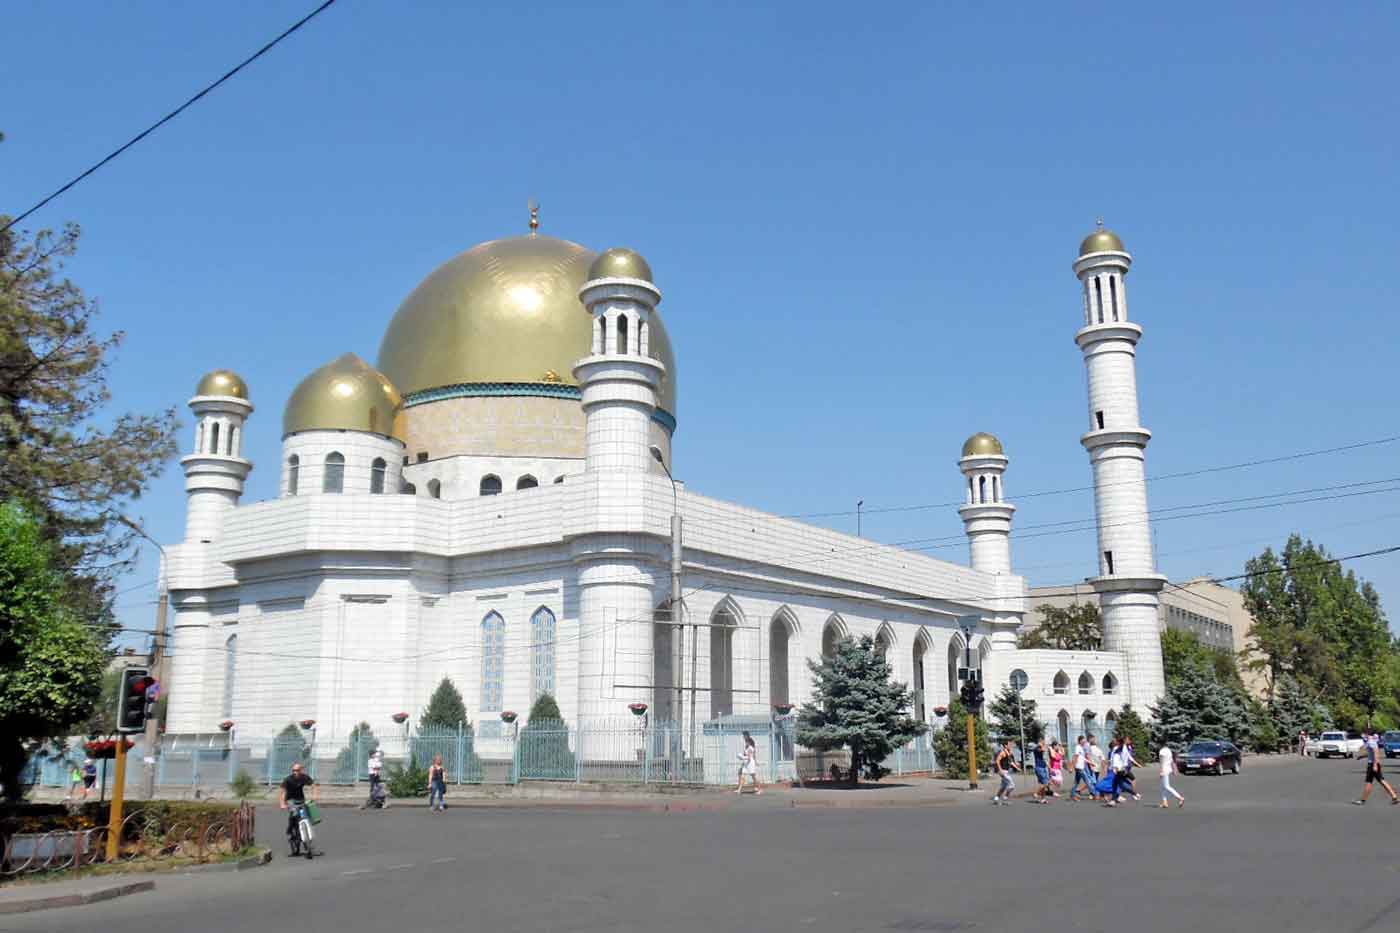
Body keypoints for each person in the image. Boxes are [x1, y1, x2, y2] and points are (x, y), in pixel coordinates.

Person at [278, 762, 320, 856]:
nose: (295, 772)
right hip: (290, 801)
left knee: (307, 816)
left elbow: (314, 786)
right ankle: (292, 835)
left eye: (297, 770)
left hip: (301, 800)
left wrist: (315, 796)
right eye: (293, 770)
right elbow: (282, 791)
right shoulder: (288, 779)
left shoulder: (304, 777)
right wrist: (282, 803)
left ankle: (308, 845)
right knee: (294, 816)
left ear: (301, 770)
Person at [1353, 728, 1400, 806]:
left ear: (1368, 734)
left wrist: (1375, 765)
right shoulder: (1371, 742)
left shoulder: (1371, 742)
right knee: (1381, 781)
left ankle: (1362, 800)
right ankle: (1394, 797)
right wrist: (1362, 757)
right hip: (1374, 764)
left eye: (1364, 734)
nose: (1363, 735)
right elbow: (1371, 753)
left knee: (1369, 782)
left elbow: (1376, 753)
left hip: (1372, 765)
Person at [991, 740, 1020, 805]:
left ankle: (996, 799)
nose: (1011, 746)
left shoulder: (1009, 753)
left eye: (1011, 745)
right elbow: (997, 761)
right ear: (1005, 746)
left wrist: (1017, 768)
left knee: (1003, 786)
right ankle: (1005, 798)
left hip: (1006, 771)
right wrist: (1000, 770)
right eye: (1009, 745)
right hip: (1003, 771)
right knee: (1012, 785)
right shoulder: (1003, 752)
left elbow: (1011, 762)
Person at [1158, 743, 1185, 808]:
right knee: (1163, 787)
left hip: (1164, 770)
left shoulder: (1162, 751)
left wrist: (1161, 771)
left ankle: (1180, 798)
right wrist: (1174, 769)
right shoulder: (1169, 751)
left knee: (1166, 786)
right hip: (1168, 769)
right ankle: (1165, 803)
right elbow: (1172, 761)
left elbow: (1161, 762)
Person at [736, 730, 762, 795]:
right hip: (746, 763)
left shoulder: (750, 747)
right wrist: (741, 757)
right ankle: (739, 790)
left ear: (749, 742)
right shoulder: (746, 747)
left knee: (754, 777)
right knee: (743, 776)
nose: (745, 743)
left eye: (746, 742)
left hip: (750, 763)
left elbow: (749, 757)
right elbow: (745, 755)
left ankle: (759, 789)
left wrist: (742, 757)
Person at [1104, 738, 1127, 807]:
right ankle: (1113, 798)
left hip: (1115, 769)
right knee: (1115, 784)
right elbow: (1112, 761)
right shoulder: (1114, 751)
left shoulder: (1116, 750)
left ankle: (1114, 798)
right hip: (1115, 770)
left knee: (1116, 784)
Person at [1070, 736, 1093, 801]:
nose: (1085, 742)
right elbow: (1075, 757)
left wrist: (1090, 763)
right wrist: (1072, 767)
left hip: (1080, 767)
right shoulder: (1078, 747)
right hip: (1079, 768)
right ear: (1080, 741)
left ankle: (1072, 794)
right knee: (1087, 781)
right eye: (1083, 740)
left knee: (1077, 782)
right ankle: (1095, 794)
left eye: (1085, 741)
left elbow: (1083, 758)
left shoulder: (1081, 748)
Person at [1031, 737, 1051, 803]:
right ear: (1040, 741)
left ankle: (1043, 799)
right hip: (1039, 767)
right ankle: (1036, 793)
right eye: (1043, 741)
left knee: (1043, 783)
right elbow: (1043, 749)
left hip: (1043, 766)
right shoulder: (1037, 748)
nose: (1044, 742)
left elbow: (1044, 754)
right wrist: (1045, 746)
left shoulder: (1040, 747)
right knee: (1045, 783)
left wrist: (1049, 767)